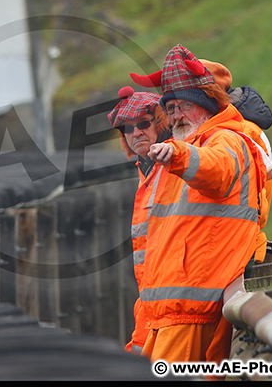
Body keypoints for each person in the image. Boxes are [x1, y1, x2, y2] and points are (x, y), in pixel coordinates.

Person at [125, 44, 269, 366]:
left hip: (191, 313)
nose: (175, 115)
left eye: (182, 106)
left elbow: (215, 169)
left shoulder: (227, 139)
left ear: (205, 105)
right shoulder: (180, 150)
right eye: (170, 108)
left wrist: (178, 155)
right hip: (170, 312)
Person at [106, 86, 171, 355]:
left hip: (173, 302)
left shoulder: (171, 163)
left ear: (162, 124)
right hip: (151, 299)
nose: (135, 133)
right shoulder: (144, 171)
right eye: (127, 129)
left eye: (143, 123)